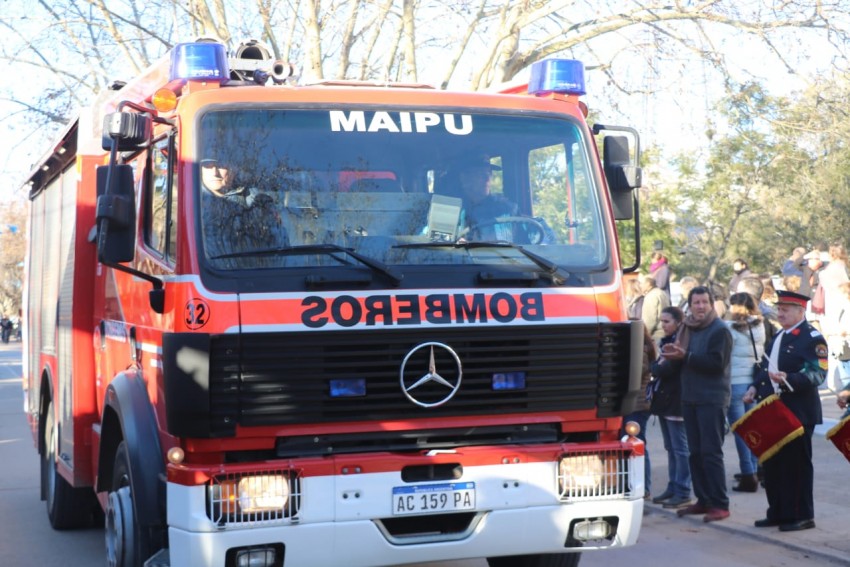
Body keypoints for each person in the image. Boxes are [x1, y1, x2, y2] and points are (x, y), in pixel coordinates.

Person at [743, 290, 828, 532]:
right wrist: (753, 387)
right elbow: (765, 366)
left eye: (785, 309)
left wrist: (789, 378)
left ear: (801, 311)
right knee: (773, 464)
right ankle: (778, 512)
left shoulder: (812, 338)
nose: (780, 313)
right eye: (779, 309)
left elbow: (817, 374)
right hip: (774, 409)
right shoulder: (780, 335)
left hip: (798, 410)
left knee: (797, 466)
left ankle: (802, 515)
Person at [660, 285, 733, 523]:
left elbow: (716, 363)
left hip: (711, 398)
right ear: (689, 306)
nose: (700, 307)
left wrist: (685, 356)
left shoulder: (719, 330)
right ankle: (703, 499)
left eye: (704, 302)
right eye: (696, 303)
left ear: (712, 304)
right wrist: (669, 356)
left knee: (711, 453)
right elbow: (679, 362)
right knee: (695, 453)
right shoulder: (687, 328)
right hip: (689, 398)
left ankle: (720, 504)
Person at [199, 158, 288, 265]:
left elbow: (278, 244)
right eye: (208, 166)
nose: (214, 172)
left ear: (234, 169)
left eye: (221, 165)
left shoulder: (259, 203)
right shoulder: (190, 204)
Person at [649, 306, 693, 509]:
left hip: (677, 400)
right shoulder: (667, 341)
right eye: (661, 321)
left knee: (680, 448)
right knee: (671, 448)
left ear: (678, 322)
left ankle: (683, 489)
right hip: (666, 400)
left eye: (667, 321)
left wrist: (654, 366)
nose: (662, 325)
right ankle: (673, 486)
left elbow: (666, 369)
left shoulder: (680, 341)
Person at [724, 292, 764, 492]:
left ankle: (748, 474)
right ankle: (758, 467)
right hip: (753, 382)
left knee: (740, 431)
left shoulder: (729, 328)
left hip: (735, 382)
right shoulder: (759, 325)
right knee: (753, 428)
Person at [621, 326, 658, 499]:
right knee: (636, 445)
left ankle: (644, 488)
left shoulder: (639, 351)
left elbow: (633, 375)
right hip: (637, 405)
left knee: (637, 446)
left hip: (638, 405)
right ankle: (640, 486)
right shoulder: (643, 348)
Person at [640, 273, 671, 341]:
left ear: (648, 284)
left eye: (641, 283)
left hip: (656, 335)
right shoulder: (662, 293)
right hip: (665, 332)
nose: (640, 285)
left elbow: (649, 320)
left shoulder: (651, 296)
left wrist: (644, 337)